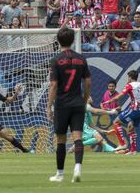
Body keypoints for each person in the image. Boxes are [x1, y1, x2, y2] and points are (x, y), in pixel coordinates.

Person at [47, 27, 91, 183]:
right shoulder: (81, 59)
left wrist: (49, 106)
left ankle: (60, 174)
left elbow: (53, 85)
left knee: (61, 140)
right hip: (78, 102)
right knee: (77, 137)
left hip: (62, 103)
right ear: (73, 41)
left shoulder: (56, 60)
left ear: (58, 41)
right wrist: (84, 99)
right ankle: (77, 167)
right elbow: (87, 81)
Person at [103, 70, 140, 155]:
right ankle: (133, 150)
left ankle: (122, 144)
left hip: (134, 110)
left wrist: (110, 101)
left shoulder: (130, 85)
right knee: (131, 128)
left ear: (130, 77)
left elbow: (120, 96)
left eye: (128, 77)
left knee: (116, 122)